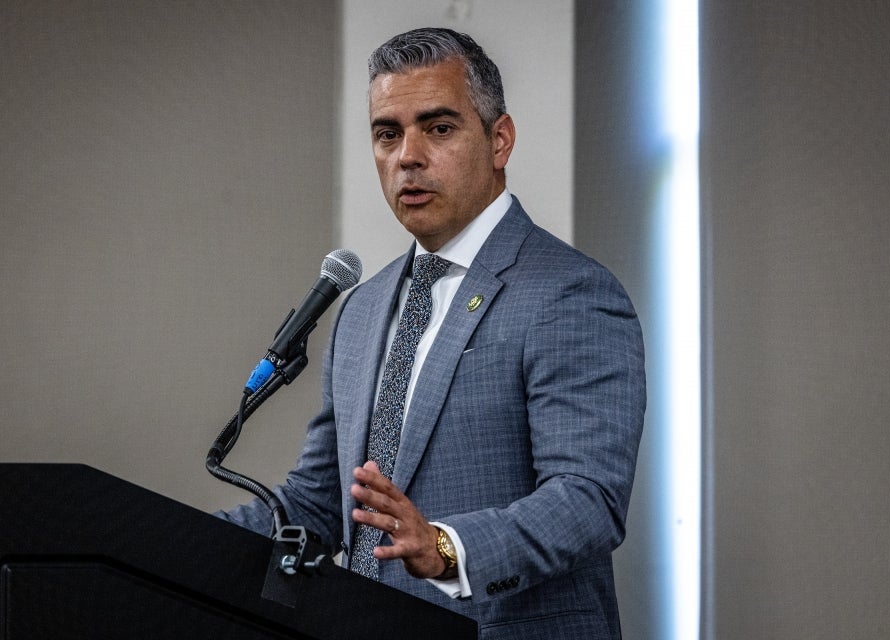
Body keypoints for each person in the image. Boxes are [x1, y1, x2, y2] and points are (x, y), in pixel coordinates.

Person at [216, 27, 646, 639]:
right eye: (387, 134)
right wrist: (166, 536)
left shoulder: (569, 293)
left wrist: (445, 547)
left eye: (438, 128)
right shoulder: (361, 310)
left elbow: (587, 500)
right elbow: (319, 504)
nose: (407, 156)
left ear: (500, 140)